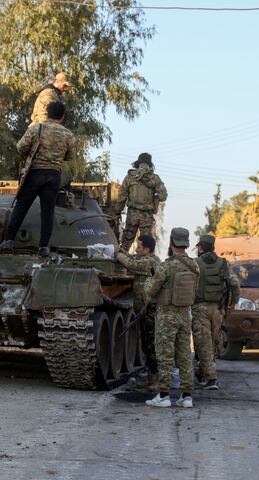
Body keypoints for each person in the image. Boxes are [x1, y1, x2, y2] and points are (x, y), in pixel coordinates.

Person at [0, 101, 76, 257]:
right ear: (62, 116)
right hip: (54, 175)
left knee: (21, 207)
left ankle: (8, 241)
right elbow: (70, 156)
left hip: (34, 173)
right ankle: (43, 247)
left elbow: (20, 147)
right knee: (48, 212)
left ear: (47, 113)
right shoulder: (68, 134)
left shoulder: (36, 129)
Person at [143, 227, 200, 408]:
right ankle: (187, 396)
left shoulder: (166, 266)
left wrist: (146, 282)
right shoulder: (194, 266)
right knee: (184, 355)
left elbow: (151, 290)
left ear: (171, 243)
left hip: (167, 315)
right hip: (185, 314)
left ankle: (164, 395)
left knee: (165, 356)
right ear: (186, 243)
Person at [191, 235, 240, 391]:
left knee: (202, 342)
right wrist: (232, 303)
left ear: (201, 248)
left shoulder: (196, 264)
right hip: (218, 309)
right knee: (213, 342)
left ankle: (211, 378)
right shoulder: (223, 264)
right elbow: (235, 284)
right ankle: (205, 373)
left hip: (200, 308)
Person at [115, 234, 162, 391]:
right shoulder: (146, 259)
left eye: (139, 247)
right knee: (146, 345)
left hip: (150, 310)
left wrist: (117, 254)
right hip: (144, 309)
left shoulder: (151, 262)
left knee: (152, 345)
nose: (137, 249)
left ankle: (157, 380)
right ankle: (152, 379)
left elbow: (131, 264)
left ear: (147, 249)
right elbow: (134, 259)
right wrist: (123, 251)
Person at [115, 153, 168, 252]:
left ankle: (121, 264)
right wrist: (155, 200)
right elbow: (163, 196)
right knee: (146, 243)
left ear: (138, 163)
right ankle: (145, 265)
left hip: (132, 214)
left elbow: (122, 196)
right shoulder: (154, 178)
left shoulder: (130, 177)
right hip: (147, 215)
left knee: (126, 241)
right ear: (150, 164)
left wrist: (117, 212)